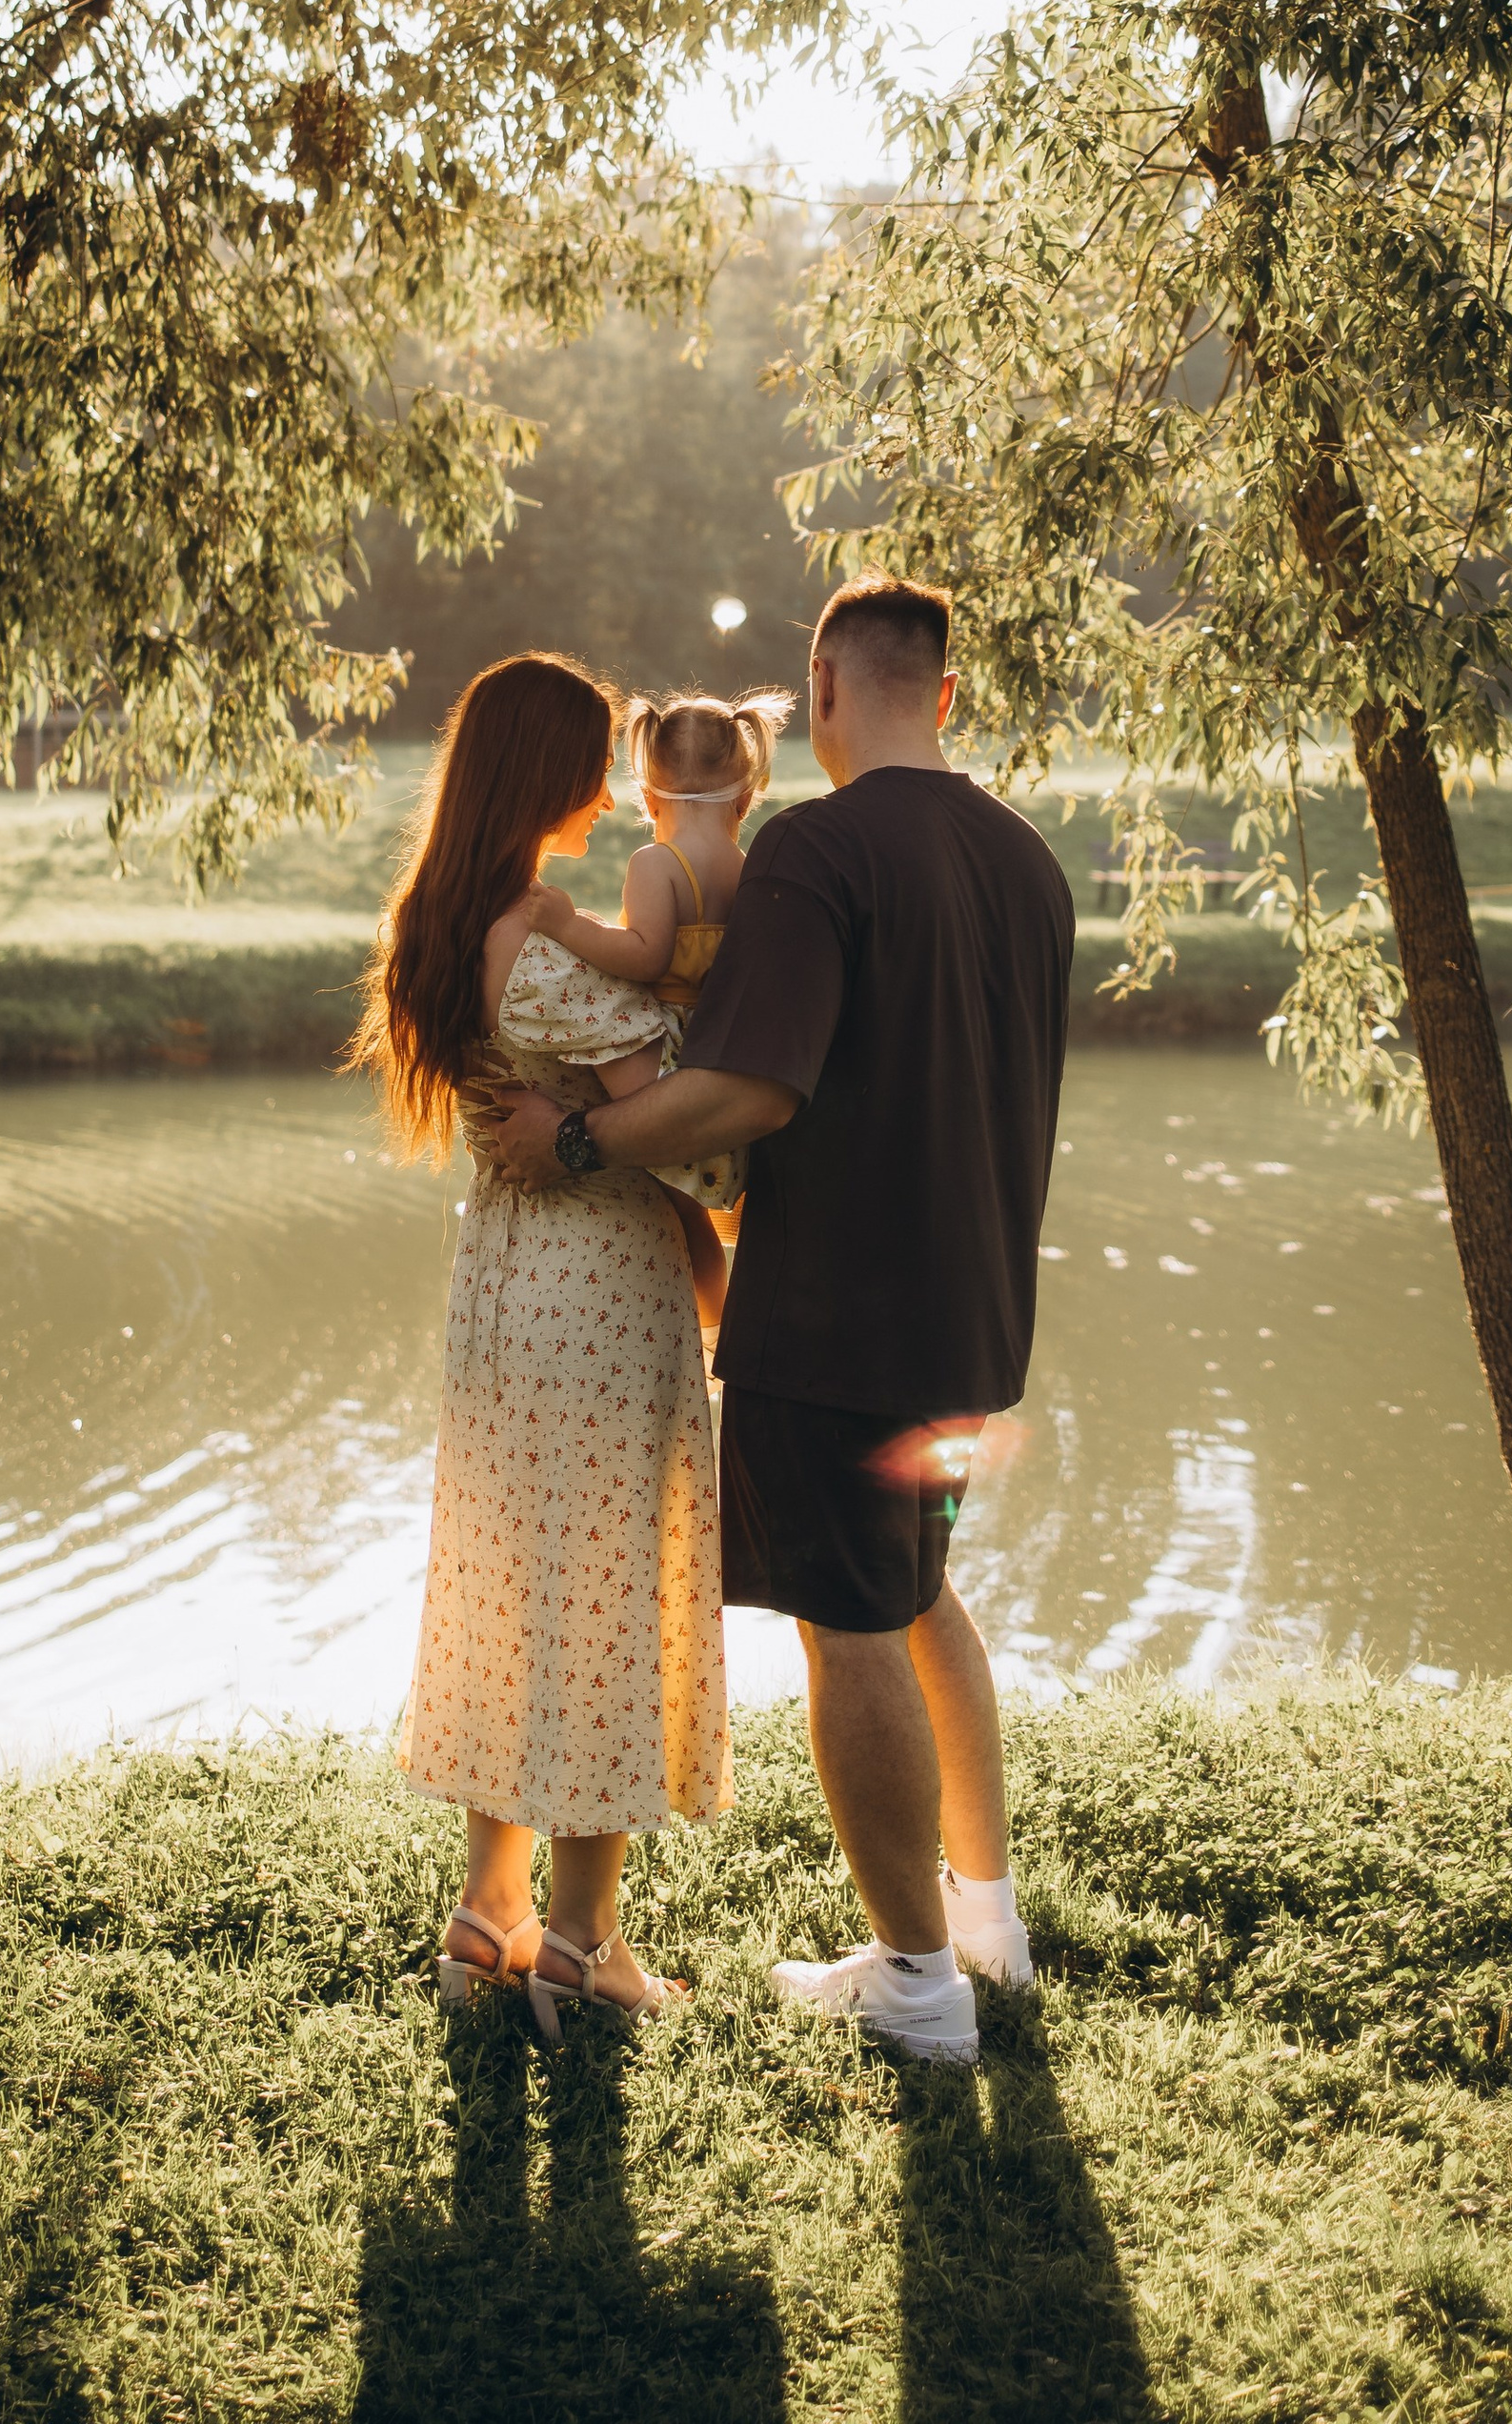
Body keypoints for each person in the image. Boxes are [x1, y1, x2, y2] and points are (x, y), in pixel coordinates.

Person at [494, 575, 1075, 2066]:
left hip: (838, 1319)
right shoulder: (1027, 860)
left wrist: (570, 1142)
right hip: (975, 1315)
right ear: (941, 697)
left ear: (822, 693)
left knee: (852, 1626)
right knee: (920, 1591)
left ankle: (919, 1983)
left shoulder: (820, 850)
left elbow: (746, 1090)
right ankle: (985, 1915)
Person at [353, 652, 727, 2039]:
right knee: (603, 1598)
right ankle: (580, 1946)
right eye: (593, 754)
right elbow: (696, 1125)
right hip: (595, 1288)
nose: (608, 778)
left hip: (499, 1286)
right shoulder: (546, 951)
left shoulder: (446, 924)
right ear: (552, 775)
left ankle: (486, 1912)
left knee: (517, 1588)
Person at [530, 686, 795, 1326]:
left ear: (649, 800)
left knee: (672, 1205)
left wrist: (569, 927)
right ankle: (725, 1324)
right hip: (724, 1051)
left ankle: (708, 1325)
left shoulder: (657, 864)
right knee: (710, 1213)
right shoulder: (745, 864)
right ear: (745, 796)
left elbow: (646, 957)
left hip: (670, 1050)